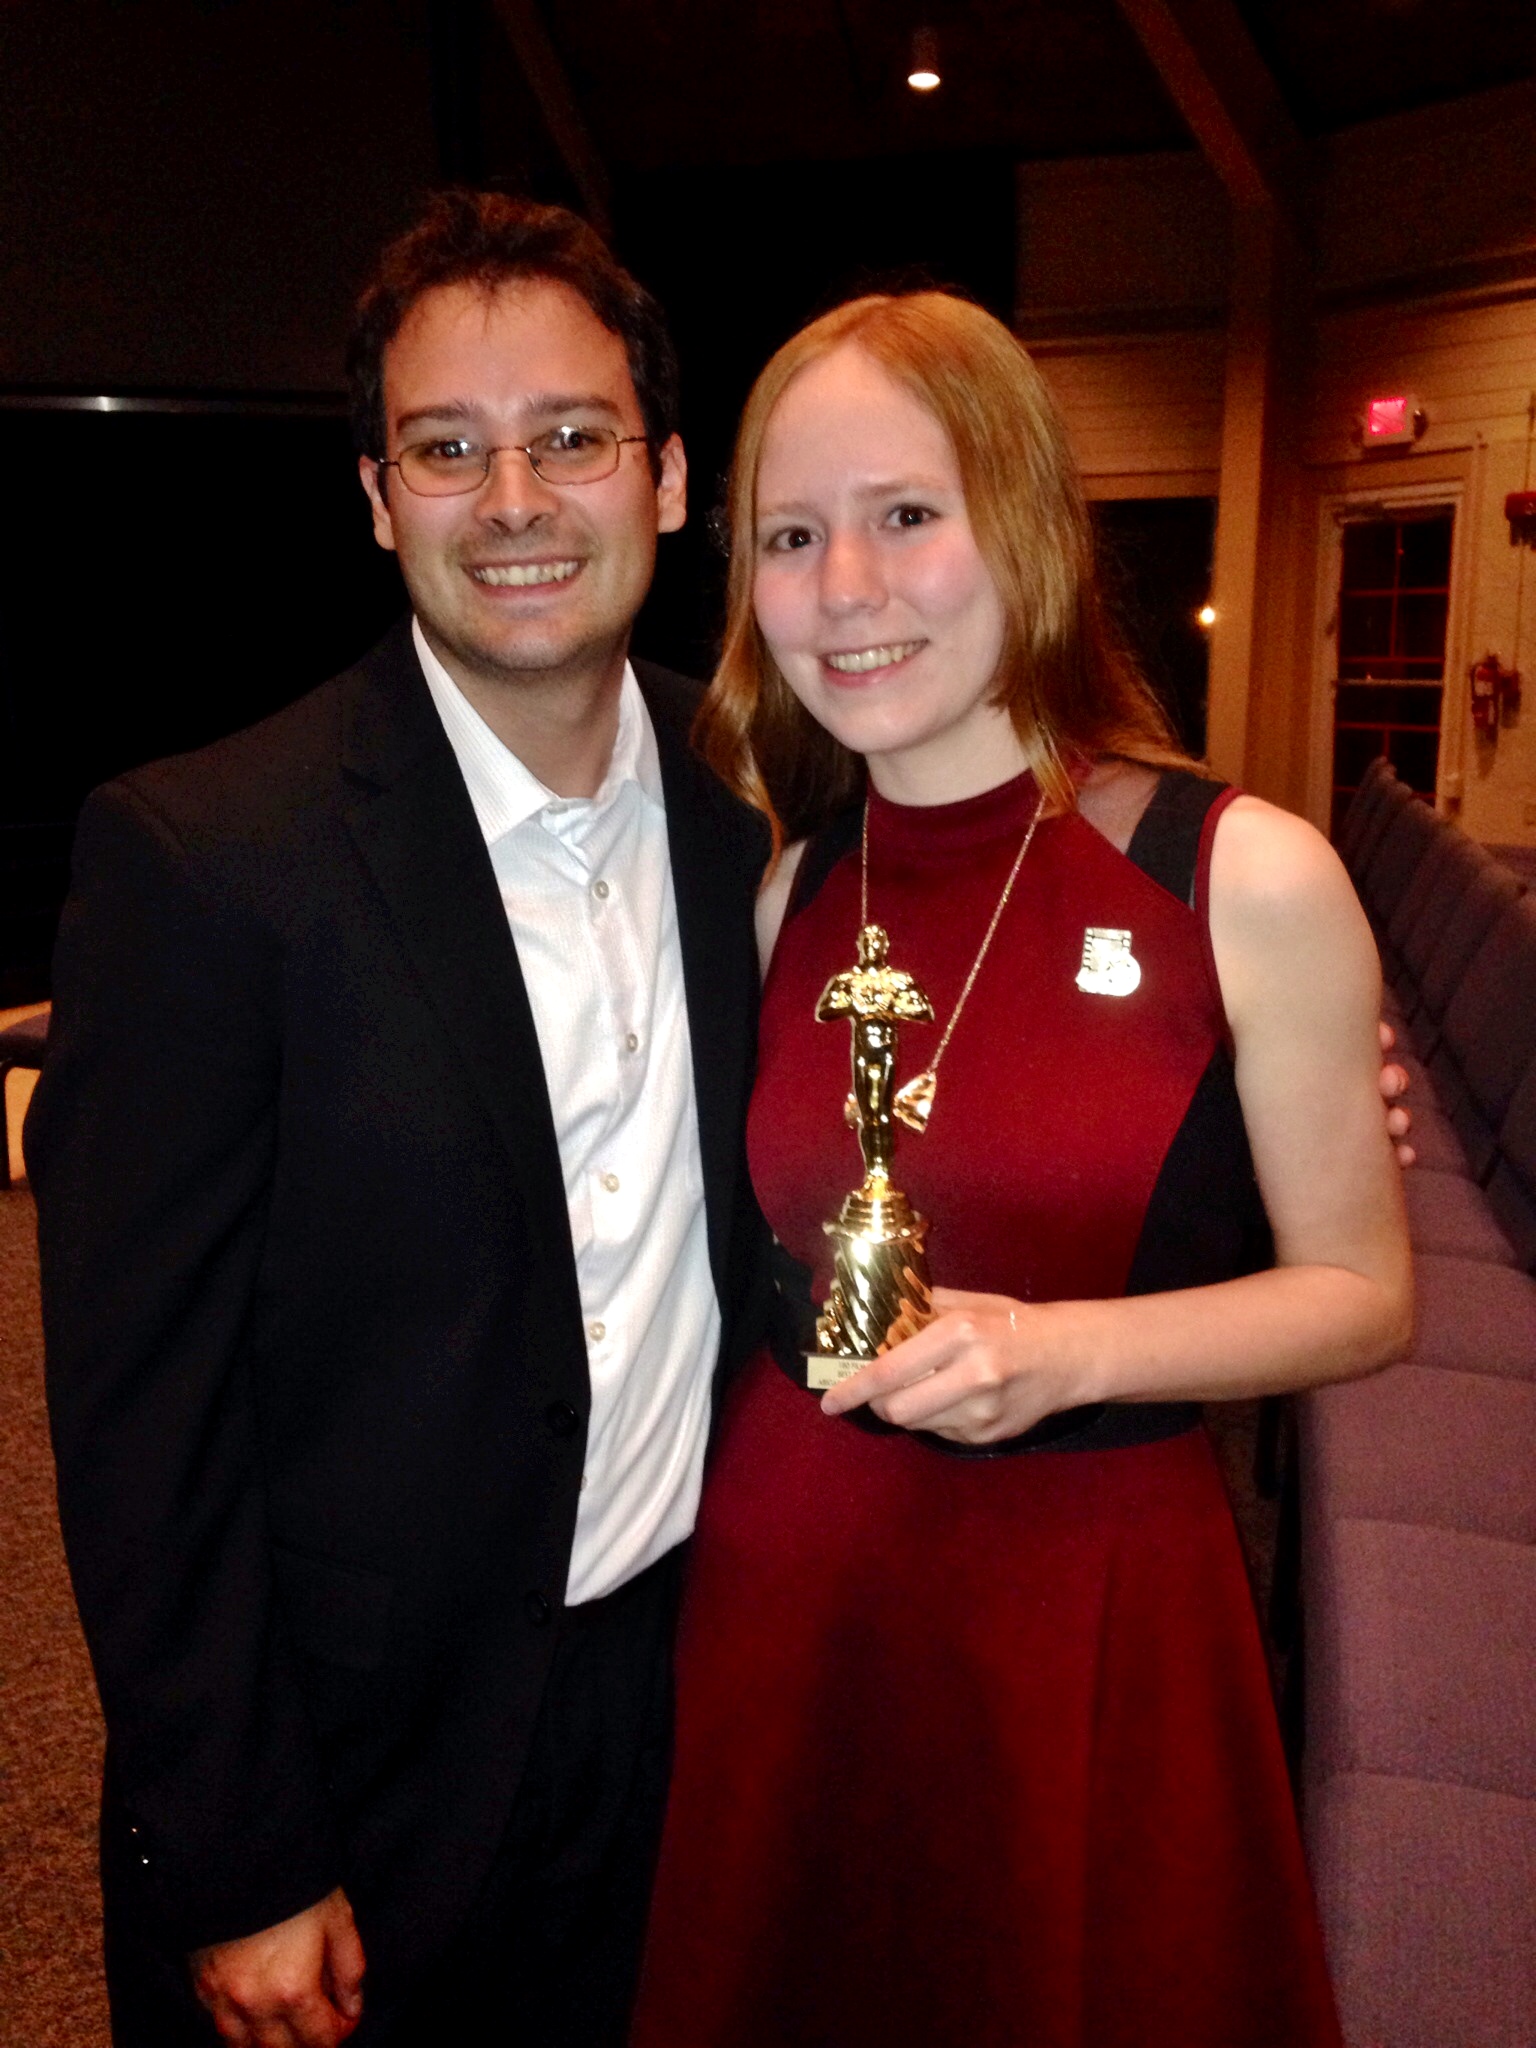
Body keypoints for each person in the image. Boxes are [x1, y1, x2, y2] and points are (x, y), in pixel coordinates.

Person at [26, 191, 770, 2048]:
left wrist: (1262, 1047)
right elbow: (140, 1426)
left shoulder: (751, 808)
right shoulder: (202, 859)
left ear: (667, 479)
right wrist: (239, 1848)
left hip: (674, 1709)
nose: (514, 498)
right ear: (377, 499)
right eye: (449, 448)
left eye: (571, 438)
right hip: (350, 1771)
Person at [628, 291, 1414, 2048]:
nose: (848, 587)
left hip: (1087, 1599)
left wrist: (1069, 1351)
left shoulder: (1242, 871)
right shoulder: (784, 885)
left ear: (1028, 523)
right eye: (792, 534)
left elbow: (1366, 1297)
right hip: (789, 1582)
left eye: (908, 516)